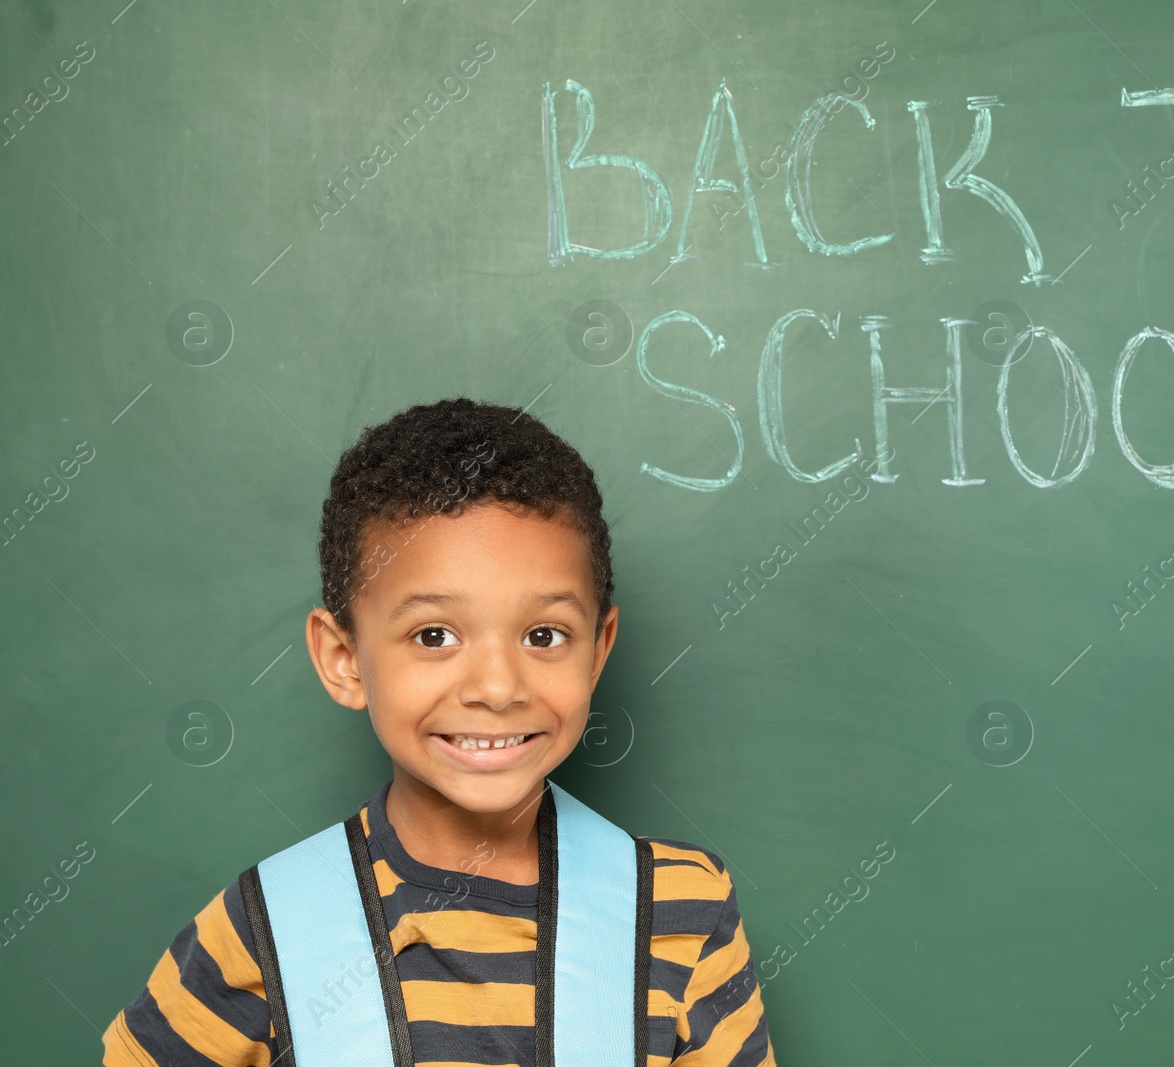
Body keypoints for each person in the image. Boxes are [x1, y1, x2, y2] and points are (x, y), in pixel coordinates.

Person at [101, 397, 776, 1067]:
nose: (496, 687)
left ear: (598, 650)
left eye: (544, 635)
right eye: (434, 635)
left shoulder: (679, 912)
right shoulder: (267, 926)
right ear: (345, 660)